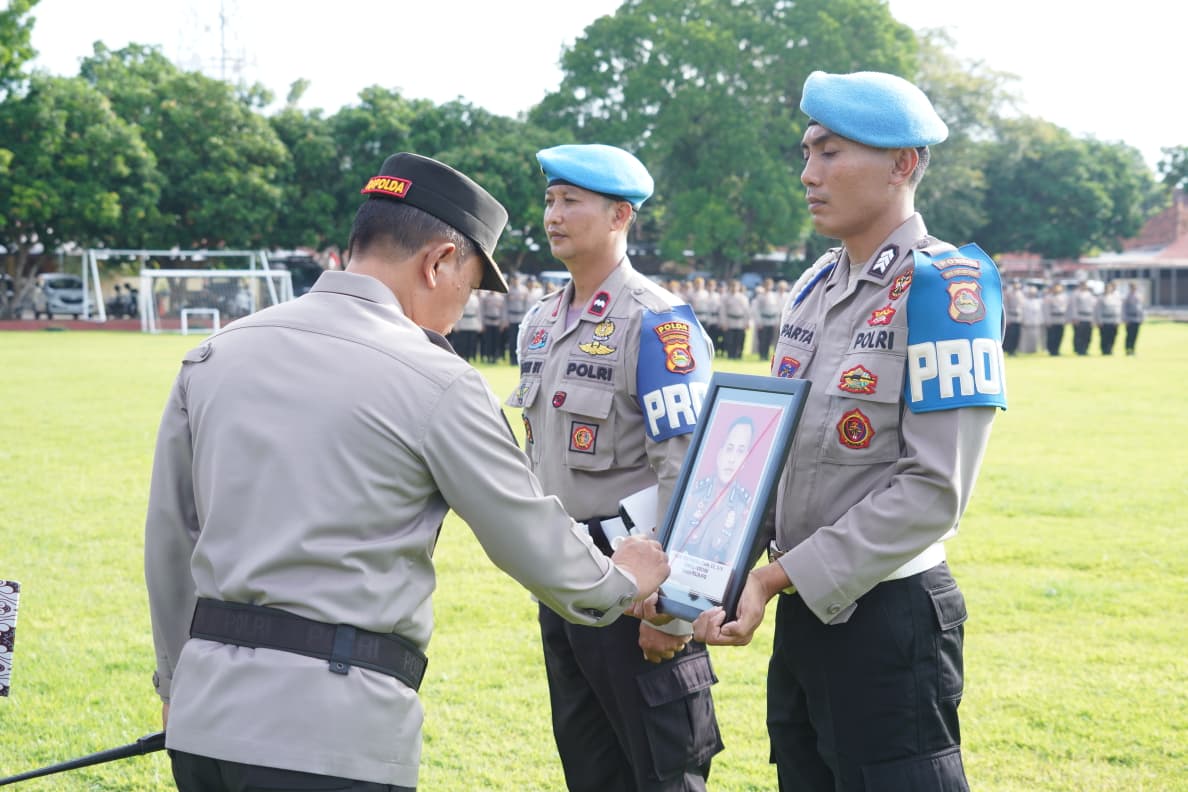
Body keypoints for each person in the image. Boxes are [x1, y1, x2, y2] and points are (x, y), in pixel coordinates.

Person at [144, 152, 673, 792]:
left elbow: (171, 541)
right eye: (471, 285)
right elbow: (525, 532)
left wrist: (175, 686)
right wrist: (621, 580)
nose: (460, 307)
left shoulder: (215, 354)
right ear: (438, 262)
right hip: (335, 731)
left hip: (205, 724)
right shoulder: (436, 378)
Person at [693, 71, 1007, 792]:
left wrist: (773, 577)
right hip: (804, 612)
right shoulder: (812, 287)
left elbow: (934, 491)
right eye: (807, 152)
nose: (809, 174)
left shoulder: (944, 288)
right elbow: (770, 453)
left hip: (888, 621)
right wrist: (714, 565)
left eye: (831, 153)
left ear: (903, 164)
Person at [507, 143, 724, 791]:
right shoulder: (542, 321)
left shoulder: (657, 324)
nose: (554, 214)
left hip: (638, 596)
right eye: (549, 199)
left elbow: (687, 474)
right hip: (567, 584)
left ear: (619, 216)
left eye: (572, 200)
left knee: (662, 774)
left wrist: (676, 611)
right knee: (590, 770)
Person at [677, 416, 755, 565]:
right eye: (729, 448)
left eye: (740, 451)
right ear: (719, 454)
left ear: (745, 460)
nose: (732, 459)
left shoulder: (743, 507)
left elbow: (732, 564)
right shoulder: (693, 493)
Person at [1094, 280, 1123, 355]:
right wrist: (1099, 321)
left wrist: (1118, 320)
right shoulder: (1101, 298)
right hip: (1104, 320)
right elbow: (1098, 310)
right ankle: (1104, 350)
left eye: (1110, 288)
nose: (1109, 289)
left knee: (1112, 336)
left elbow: (1118, 310)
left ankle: (1110, 349)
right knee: (1104, 337)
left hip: (1113, 320)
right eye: (1107, 288)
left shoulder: (1116, 297)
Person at [1042, 282, 1069, 355]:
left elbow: (1067, 309)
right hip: (1052, 318)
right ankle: (1051, 350)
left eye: (1059, 287)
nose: (1057, 289)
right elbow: (1046, 310)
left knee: (1059, 336)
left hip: (1061, 319)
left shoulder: (1064, 297)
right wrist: (1048, 321)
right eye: (1056, 287)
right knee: (1052, 336)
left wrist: (1066, 319)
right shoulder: (1048, 297)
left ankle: (1057, 350)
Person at [1071, 281, 1096, 355]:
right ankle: (1079, 350)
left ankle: (1085, 349)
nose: (1084, 287)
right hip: (1079, 317)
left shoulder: (1090, 294)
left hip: (1089, 317)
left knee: (1087, 335)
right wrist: (1075, 317)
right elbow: (1074, 307)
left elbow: (1093, 307)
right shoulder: (1076, 294)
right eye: (1083, 285)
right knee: (1079, 335)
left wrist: (1093, 319)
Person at [1019, 284, 1043, 354]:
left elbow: (1040, 312)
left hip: (1036, 322)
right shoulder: (1024, 301)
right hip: (1027, 322)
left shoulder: (1038, 301)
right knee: (1026, 338)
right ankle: (1025, 350)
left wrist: (1040, 321)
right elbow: (1023, 312)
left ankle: (1033, 350)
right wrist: (1023, 320)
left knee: (1035, 338)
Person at [1002, 279, 1024, 355]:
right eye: (1015, 283)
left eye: (1017, 283)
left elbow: (1022, 306)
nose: (1016, 285)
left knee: (1017, 335)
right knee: (1010, 335)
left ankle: (1014, 349)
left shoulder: (1020, 293)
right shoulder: (1008, 293)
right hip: (1011, 316)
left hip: (1018, 317)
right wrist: (1007, 319)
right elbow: (1006, 306)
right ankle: (1009, 350)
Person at [1123, 282, 1145, 355]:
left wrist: (1142, 318)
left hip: (1137, 318)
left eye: (1135, 287)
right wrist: (1125, 319)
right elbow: (1124, 309)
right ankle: (1128, 349)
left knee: (1135, 335)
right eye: (1132, 287)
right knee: (1129, 335)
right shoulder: (1127, 297)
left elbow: (1141, 308)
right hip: (1130, 318)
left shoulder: (1139, 296)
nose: (1134, 288)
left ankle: (1133, 349)